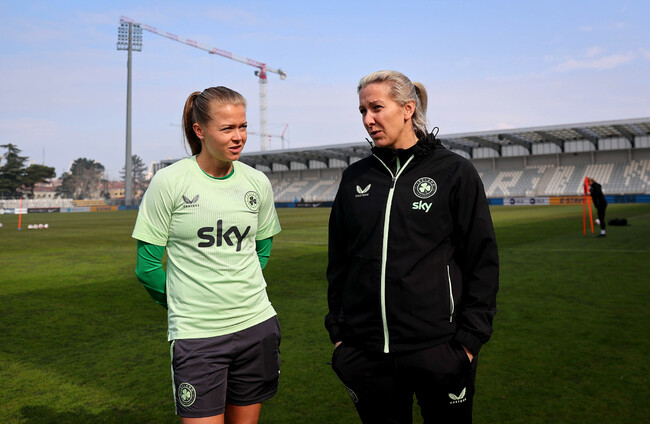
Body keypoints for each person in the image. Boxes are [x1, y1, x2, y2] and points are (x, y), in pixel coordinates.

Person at [325, 70, 499, 424]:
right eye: (362, 111)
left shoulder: (454, 171)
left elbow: (482, 260)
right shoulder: (355, 177)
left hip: (439, 349)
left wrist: (468, 342)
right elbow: (339, 262)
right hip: (366, 353)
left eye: (376, 108)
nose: (368, 119)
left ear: (407, 109)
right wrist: (341, 338)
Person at [132, 86, 282, 424]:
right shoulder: (170, 182)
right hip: (198, 335)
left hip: (256, 326)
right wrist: (186, 304)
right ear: (199, 130)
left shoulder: (257, 182)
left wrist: (238, 290)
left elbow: (262, 249)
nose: (238, 137)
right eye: (227, 128)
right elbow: (147, 266)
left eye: (243, 126)